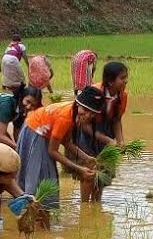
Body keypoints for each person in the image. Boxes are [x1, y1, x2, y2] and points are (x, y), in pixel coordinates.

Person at [16, 86, 103, 208]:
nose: (88, 115)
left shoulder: (74, 113)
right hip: (34, 132)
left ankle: (40, 212)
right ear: (78, 104)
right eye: (86, 110)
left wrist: (86, 157)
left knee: (46, 177)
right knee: (39, 176)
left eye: (92, 113)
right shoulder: (65, 117)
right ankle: (31, 210)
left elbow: (66, 142)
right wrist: (79, 169)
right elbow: (52, 151)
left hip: (42, 132)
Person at [75, 61, 129, 202]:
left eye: (126, 77)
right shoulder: (94, 93)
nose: (126, 81)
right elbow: (83, 123)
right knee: (90, 172)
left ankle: (96, 203)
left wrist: (120, 140)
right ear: (110, 82)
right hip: (88, 134)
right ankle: (85, 207)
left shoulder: (122, 96)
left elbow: (117, 120)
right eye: (122, 78)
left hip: (107, 133)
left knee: (104, 172)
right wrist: (108, 140)